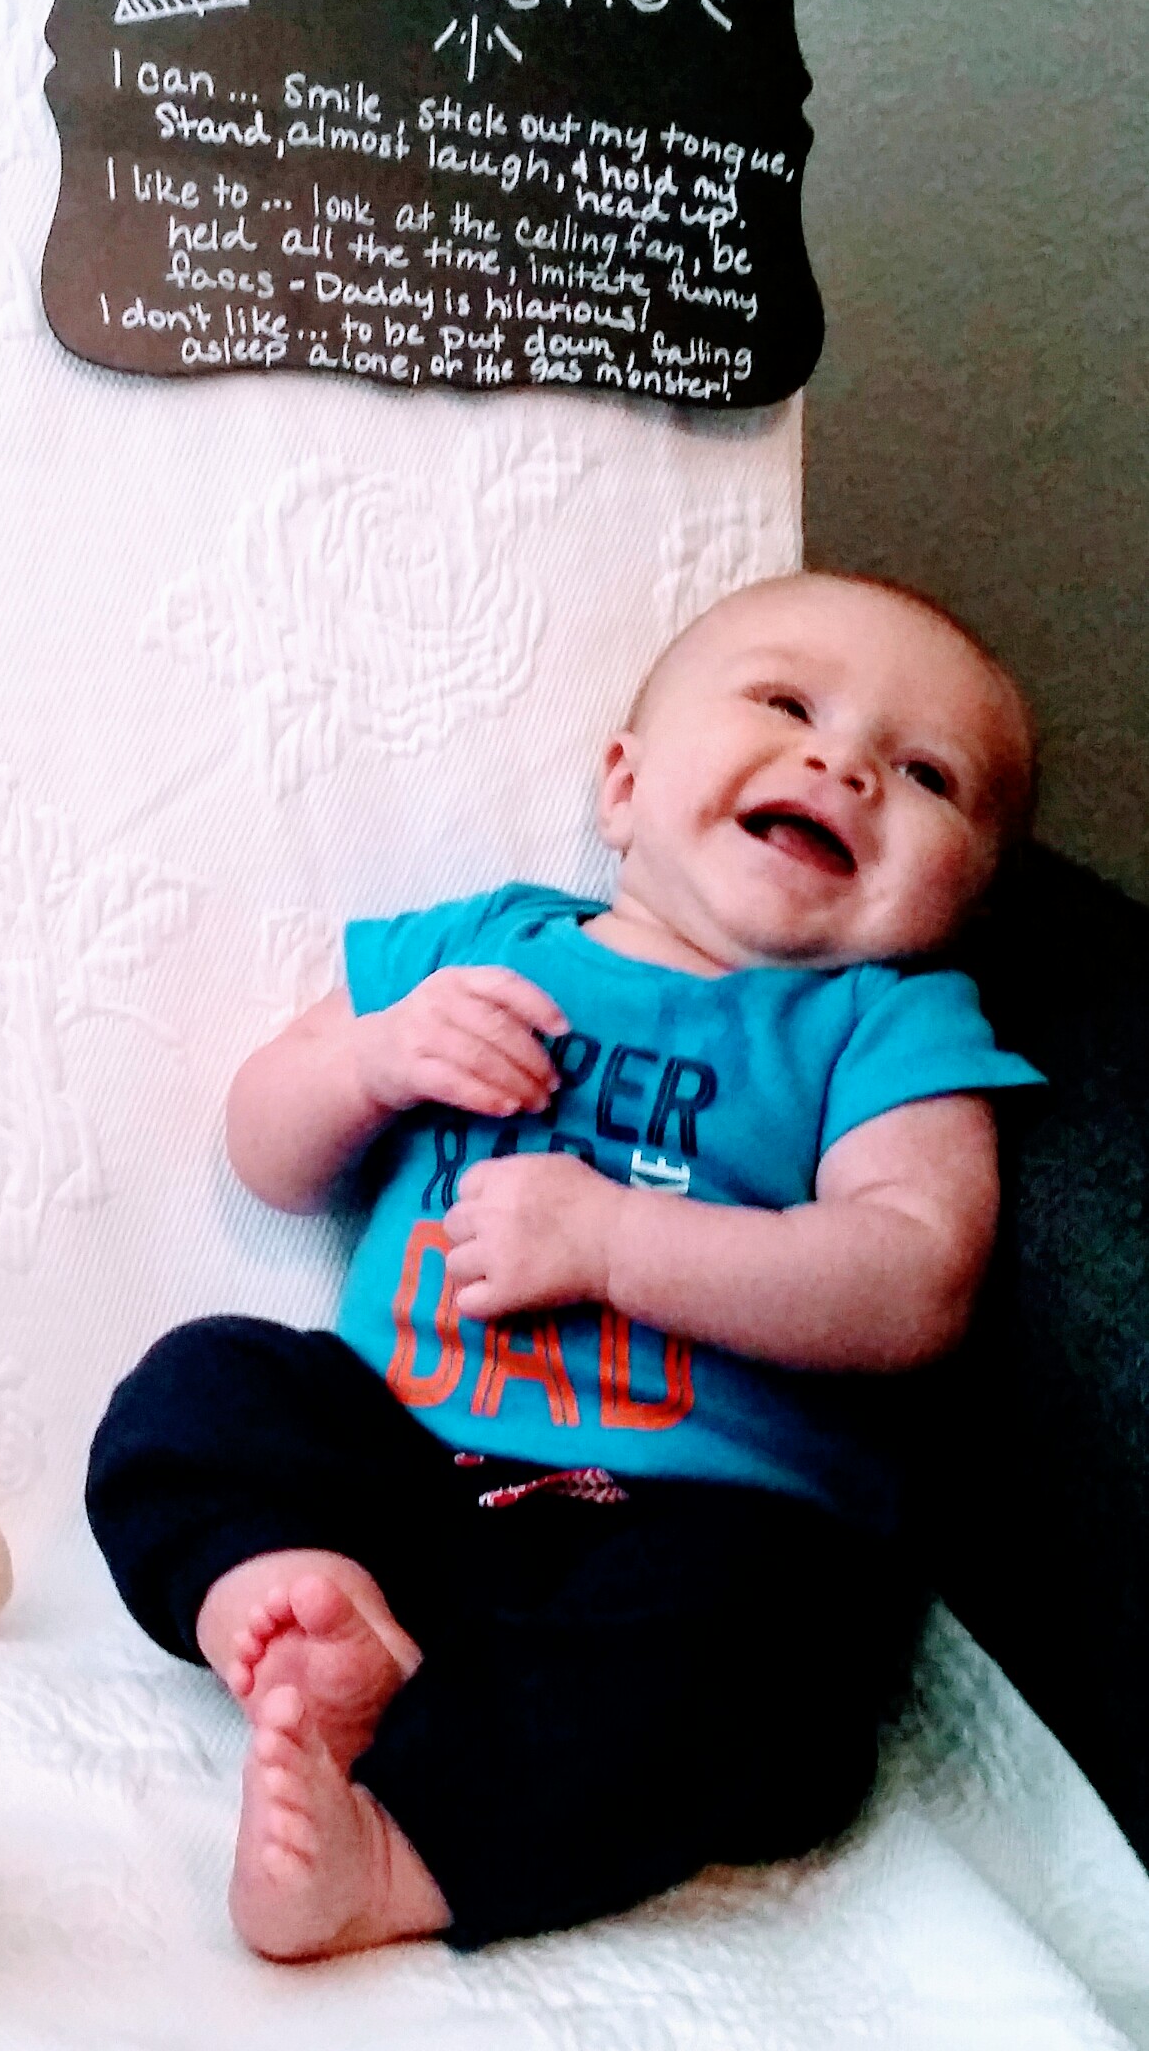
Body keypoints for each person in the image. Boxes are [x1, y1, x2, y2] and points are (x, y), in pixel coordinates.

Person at [87, 572, 1043, 1959]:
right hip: (406, 1473)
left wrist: (616, 1243)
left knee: (781, 1652)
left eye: (927, 774)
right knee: (199, 1389)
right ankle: (300, 1608)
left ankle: (403, 1849)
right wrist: (370, 1060)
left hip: (694, 1530)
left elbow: (915, 1279)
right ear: (625, 786)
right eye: (788, 704)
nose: (844, 766)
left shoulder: (884, 1028)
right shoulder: (488, 943)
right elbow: (264, 1151)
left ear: (968, 899)